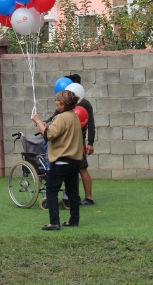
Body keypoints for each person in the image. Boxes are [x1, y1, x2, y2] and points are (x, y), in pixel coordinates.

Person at [31, 90, 83, 230]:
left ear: (63, 103)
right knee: (72, 192)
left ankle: (54, 222)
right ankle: (74, 220)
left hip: (61, 162)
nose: (55, 102)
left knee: (51, 190)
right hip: (74, 161)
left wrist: (37, 121)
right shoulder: (74, 116)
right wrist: (43, 126)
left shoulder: (61, 117)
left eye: (57, 100)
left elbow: (49, 135)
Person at [46, 74, 96, 206]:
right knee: (73, 171)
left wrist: (90, 143)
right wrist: (44, 122)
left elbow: (91, 124)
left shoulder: (84, 103)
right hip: (67, 141)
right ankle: (74, 197)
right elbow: (55, 116)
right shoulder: (65, 103)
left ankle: (89, 198)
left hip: (78, 141)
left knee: (82, 168)